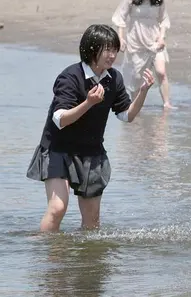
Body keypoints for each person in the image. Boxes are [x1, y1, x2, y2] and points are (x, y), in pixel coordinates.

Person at [26, 24, 155, 232]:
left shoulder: (114, 78)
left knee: (92, 220)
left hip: (91, 152)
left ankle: (87, 264)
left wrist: (143, 92)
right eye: (107, 50)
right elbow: (60, 120)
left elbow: (127, 115)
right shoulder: (70, 77)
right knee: (58, 208)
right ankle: (48, 260)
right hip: (58, 149)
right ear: (90, 49)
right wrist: (88, 103)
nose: (112, 55)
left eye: (114, 49)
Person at [112, 0, 174, 109]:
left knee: (161, 72)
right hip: (136, 42)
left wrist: (162, 38)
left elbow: (164, 20)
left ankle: (167, 104)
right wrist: (121, 38)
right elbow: (120, 17)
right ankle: (135, 108)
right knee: (137, 78)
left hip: (155, 41)